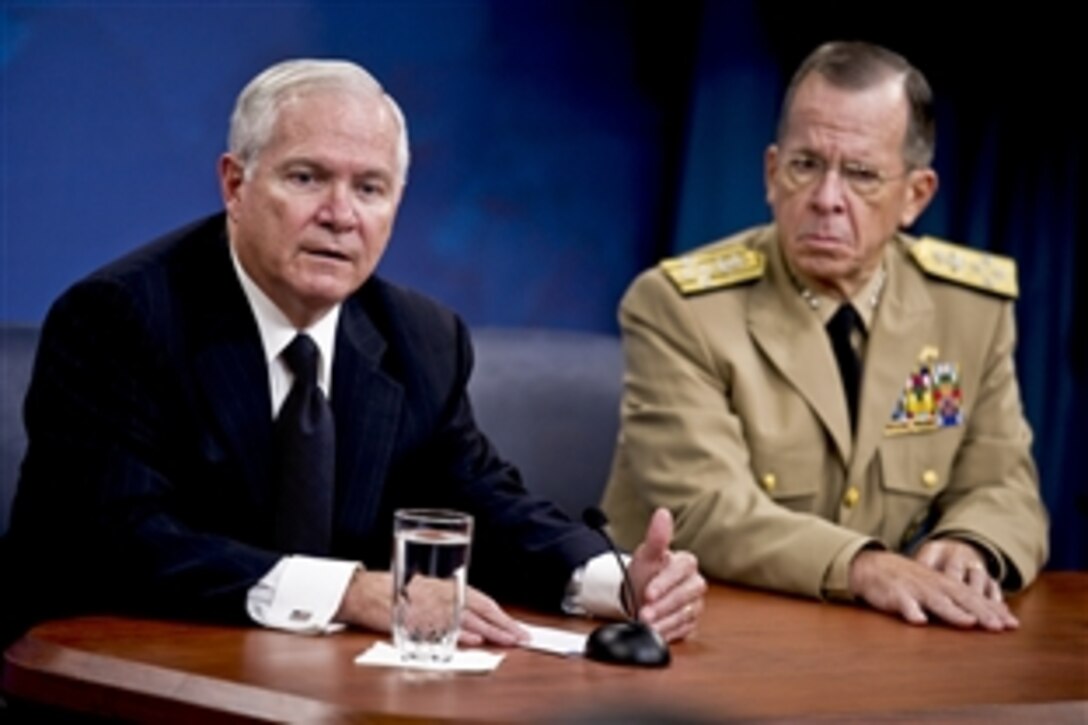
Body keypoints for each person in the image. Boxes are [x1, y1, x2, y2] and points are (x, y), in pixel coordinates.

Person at [5, 59, 704, 647]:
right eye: (307, 178)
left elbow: (481, 504)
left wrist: (611, 579)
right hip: (127, 675)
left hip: (329, 694)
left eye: (369, 188)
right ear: (234, 184)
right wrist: (348, 590)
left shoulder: (420, 339)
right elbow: (118, 539)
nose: (340, 214)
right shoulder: (123, 318)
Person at [601, 41, 1047, 631]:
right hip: (705, 635)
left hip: (891, 643)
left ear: (916, 195)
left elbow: (1006, 485)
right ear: (771, 173)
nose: (826, 199)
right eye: (805, 165)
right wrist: (864, 567)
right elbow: (706, 510)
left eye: (861, 175)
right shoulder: (679, 308)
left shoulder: (969, 309)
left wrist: (972, 544)